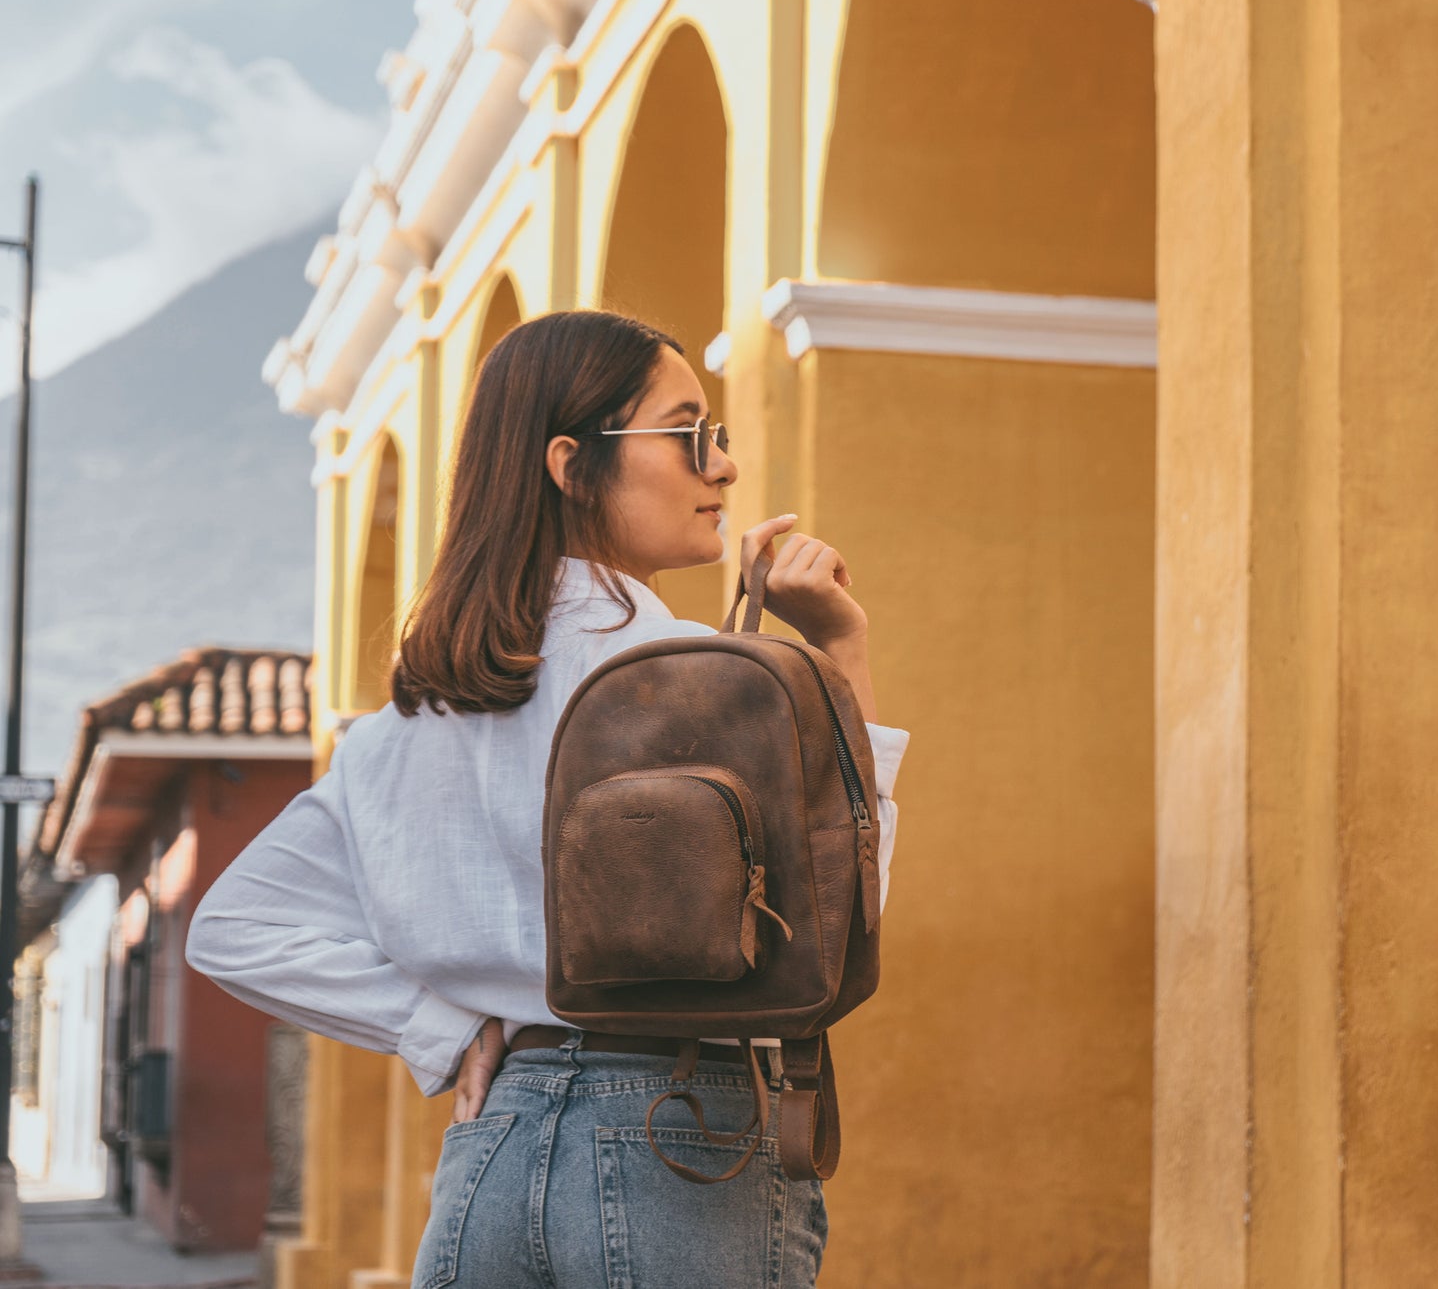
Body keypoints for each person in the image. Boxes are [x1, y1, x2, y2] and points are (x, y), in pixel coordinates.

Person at [185, 309, 908, 1287]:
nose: (724, 465)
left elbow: (232, 926)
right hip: (682, 1140)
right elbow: (838, 918)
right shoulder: (702, 686)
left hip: (494, 1145)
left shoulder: (409, 719)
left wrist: (443, 1029)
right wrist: (839, 648)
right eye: (687, 433)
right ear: (571, 463)